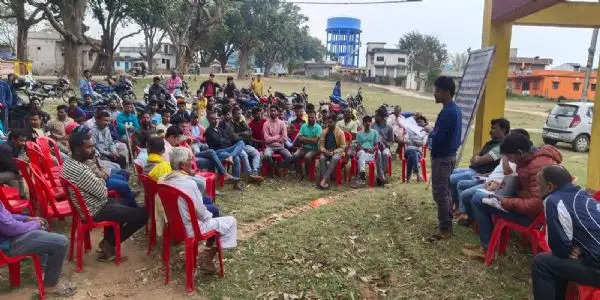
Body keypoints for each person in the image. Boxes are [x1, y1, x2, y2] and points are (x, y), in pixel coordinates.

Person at [462, 132, 563, 260]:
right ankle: (490, 244)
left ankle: (488, 249)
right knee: (481, 196)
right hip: (528, 208)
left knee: (478, 199)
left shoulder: (538, 167)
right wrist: (503, 188)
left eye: (510, 158)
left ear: (520, 153)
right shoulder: (532, 159)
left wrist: (505, 201)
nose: (510, 162)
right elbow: (527, 189)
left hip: (533, 219)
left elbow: (536, 205)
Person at [61, 126, 147, 261]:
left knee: (126, 204)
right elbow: (103, 193)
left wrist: (99, 180)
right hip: (96, 209)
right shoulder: (81, 170)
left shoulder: (69, 163)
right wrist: (100, 180)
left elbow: (100, 185)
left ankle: (108, 242)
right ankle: (110, 244)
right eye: (89, 147)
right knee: (144, 214)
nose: (93, 149)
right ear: (78, 149)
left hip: (90, 205)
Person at [163, 147, 237, 274]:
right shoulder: (189, 184)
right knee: (230, 221)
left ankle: (206, 251)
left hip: (175, 227)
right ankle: (207, 258)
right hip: (192, 229)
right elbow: (203, 214)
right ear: (182, 164)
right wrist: (211, 216)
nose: (191, 162)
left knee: (210, 207)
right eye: (188, 159)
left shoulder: (165, 180)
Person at [531, 165, 600, 300]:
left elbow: (559, 249)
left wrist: (574, 249)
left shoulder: (553, 200)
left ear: (550, 187)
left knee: (542, 262)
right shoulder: (584, 194)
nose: (536, 189)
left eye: (538, 185)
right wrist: (580, 248)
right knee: (559, 263)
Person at [0, 202, 77, 297]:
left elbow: (7, 216)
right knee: (61, 242)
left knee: (44, 225)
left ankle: (45, 272)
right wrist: (34, 224)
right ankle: (50, 286)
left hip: (11, 237)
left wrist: (27, 219)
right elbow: (10, 228)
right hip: (8, 245)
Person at [424, 76, 462, 241]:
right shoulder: (453, 110)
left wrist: (429, 133)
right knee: (444, 191)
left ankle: (445, 228)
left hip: (443, 158)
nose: (434, 94)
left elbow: (439, 137)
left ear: (446, 92)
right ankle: (446, 222)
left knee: (440, 193)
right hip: (448, 156)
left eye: (437, 90)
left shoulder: (448, 112)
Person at [450, 118, 510, 211]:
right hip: (475, 170)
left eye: (494, 128)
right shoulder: (491, 143)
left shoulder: (501, 146)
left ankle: (459, 208)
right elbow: (474, 158)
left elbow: (480, 160)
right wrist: (477, 159)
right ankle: (455, 204)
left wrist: (477, 159)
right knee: (450, 172)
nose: (491, 131)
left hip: (481, 174)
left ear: (503, 130)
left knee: (452, 179)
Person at [230, 106, 263, 180]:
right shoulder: (230, 124)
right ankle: (250, 175)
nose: (240, 115)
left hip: (244, 145)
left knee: (256, 153)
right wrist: (244, 134)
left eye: (240, 114)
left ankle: (255, 172)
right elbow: (234, 138)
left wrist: (240, 134)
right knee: (244, 155)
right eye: (238, 114)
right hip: (235, 147)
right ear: (233, 115)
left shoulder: (242, 122)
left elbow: (249, 133)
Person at [318, 114, 347, 189]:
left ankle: (323, 181)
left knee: (334, 158)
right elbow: (321, 145)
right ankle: (326, 182)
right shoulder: (324, 131)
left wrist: (334, 152)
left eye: (331, 122)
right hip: (326, 151)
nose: (329, 124)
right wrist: (324, 151)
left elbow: (343, 147)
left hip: (337, 152)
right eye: (328, 122)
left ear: (335, 122)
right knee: (322, 158)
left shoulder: (340, 132)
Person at [351, 116, 380, 188]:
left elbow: (377, 144)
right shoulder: (359, 133)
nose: (368, 123)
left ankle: (362, 178)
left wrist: (373, 149)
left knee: (362, 155)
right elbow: (358, 146)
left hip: (371, 154)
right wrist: (364, 149)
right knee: (361, 153)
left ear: (371, 122)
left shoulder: (375, 132)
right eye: (366, 122)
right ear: (363, 123)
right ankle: (362, 177)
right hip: (361, 152)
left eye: (369, 121)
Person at [263, 105, 293, 175]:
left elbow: (284, 137)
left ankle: (278, 167)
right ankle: (273, 167)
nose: (273, 112)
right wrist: (278, 136)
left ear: (277, 112)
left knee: (290, 157)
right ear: (269, 112)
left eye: (274, 111)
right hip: (270, 146)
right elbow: (266, 139)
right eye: (271, 111)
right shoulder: (266, 124)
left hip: (280, 146)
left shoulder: (282, 123)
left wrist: (273, 138)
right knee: (267, 155)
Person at [293, 110, 322, 180]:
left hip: (315, 149)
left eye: (312, 117)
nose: (310, 119)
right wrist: (311, 139)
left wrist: (305, 139)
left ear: (315, 118)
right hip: (304, 147)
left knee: (307, 157)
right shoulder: (304, 126)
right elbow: (299, 138)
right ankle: (299, 173)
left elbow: (316, 141)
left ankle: (308, 173)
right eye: (309, 117)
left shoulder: (318, 127)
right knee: (295, 155)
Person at [0, 129, 27, 197]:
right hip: (2, 173)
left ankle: (21, 198)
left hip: (6, 173)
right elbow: (13, 166)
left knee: (16, 185)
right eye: (21, 141)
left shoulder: (16, 146)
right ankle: (22, 196)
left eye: (24, 141)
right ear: (13, 139)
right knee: (19, 175)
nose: (23, 143)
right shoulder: (6, 148)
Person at [402, 115, 429, 182]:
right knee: (413, 152)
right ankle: (417, 174)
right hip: (408, 151)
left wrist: (412, 140)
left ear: (425, 123)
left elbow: (423, 143)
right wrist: (416, 142)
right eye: (417, 122)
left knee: (413, 154)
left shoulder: (425, 133)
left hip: (418, 153)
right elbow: (405, 140)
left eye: (421, 122)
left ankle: (408, 178)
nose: (419, 124)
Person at [372, 107, 394, 184]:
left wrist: (386, 144)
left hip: (385, 147)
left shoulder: (389, 127)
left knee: (385, 154)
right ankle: (381, 176)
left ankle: (382, 175)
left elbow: (391, 141)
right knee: (378, 154)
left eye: (376, 115)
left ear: (381, 117)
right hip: (374, 147)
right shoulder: (373, 125)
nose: (375, 117)